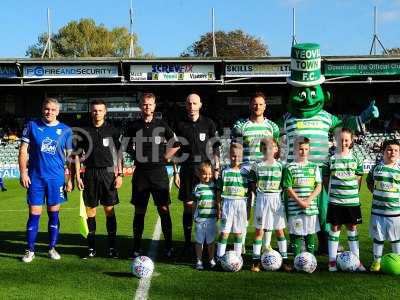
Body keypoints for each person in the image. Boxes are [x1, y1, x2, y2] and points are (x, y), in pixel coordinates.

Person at [19, 98, 73, 263]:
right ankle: (30, 250)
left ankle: (51, 248)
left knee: (53, 215)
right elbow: (23, 151)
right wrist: (23, 173)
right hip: (36, 179)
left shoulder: (66, 130)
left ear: (58, 111)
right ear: (42, 109)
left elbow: (70, 157)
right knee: (34, 215)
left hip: (56, 180)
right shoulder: (32, 126)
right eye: (46, 109)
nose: (49, 112)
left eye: (52, 109)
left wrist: (69, 179)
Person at [125, 92, 179, 258]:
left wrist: (165, 157)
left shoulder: (162, 125)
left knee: (163, 209)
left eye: (150, 104)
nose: (147, 107)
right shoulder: (133, 126)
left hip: (159, 173)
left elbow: (176, 144)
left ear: (154, 106)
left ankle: (169, 246)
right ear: (140, 106)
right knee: (139, 211)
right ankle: (136, 247)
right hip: (141, 173)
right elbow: (125, 146)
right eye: (144, 104)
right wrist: (135, 157)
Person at [231, 92, 280, 252]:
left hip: (265, 171)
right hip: (245, 169)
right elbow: (235, 147)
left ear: (265, 106)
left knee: (265, 207)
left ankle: (266, 245)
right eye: (254, 103)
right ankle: (242, 242)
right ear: (250, 105)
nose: (257, 107)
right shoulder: (240, 125)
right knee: (244, 207)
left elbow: (276, 149)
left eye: (260, 104)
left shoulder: (272, 127)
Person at [75, 99, 123, 259]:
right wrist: (77, 175)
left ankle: (112, 248)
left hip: (108, 174)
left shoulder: (112, 131)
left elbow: (119, 154)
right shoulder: (84, 131)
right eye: (95, 110)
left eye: (100, 110)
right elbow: (76, 155)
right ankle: (91, 248)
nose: (97, 113)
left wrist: (120, 174)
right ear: (91, 112)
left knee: (109, 210)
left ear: (105, 112)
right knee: (91, 212)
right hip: (89, 174)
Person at [173, 93, 220, 255]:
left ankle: (207, 241)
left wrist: (217, 167)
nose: (192, 106)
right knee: (188, 206)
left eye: (194, 103)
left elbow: (215, 148)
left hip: (205, 171)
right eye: (189, 103)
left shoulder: (208, 123)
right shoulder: (180, 125)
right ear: (186, 106)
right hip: (186, 170)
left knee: (206, 206)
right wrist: (175, 172)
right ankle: (187, 242)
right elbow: (176, 150)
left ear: (200, 105)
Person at [325, 128, 366, 272]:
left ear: (351, 141)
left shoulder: (356, 158)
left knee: (352, 228)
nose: (343, 142)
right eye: (340, 140)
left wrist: (354, 193)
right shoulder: (330, 158)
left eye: (346, 140)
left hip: (351, 202)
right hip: (335, 201)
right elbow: (326, 179)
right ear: (336, 140)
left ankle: (357, 261)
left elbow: (359, 177)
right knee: (335, 228)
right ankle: (332, 262)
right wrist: (331, 194)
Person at [249, 138, 291, 272]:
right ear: (261, 149)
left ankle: (284, 261)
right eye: (265, 148)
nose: (268, 150)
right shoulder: (256, 165)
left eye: (272, 147)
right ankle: (256, 262)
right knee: (259, 230)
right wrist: (259, 193)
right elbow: (252, 183)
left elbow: (285, 185)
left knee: (279, 230)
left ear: (276, 149)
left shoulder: (281, 166)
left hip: (276, 200)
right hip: (262, 199)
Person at [282, 137, 322, 257]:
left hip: (310, 207)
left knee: (310, 233)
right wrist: (299, 201)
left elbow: (318, 186)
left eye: (306, 149)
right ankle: (296, 260)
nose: (303, 152)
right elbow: (288, 188)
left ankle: (311, 259)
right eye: (300, 149)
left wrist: (308, 201)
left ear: (309, 150)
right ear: (295, 150)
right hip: (295, 208)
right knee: (296, 233)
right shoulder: (290, 167)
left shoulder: (314, 167)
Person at [367, 139, 400, 272]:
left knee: (396, 238)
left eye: (396, 150)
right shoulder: (376, 168)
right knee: (378, 238)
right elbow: (369, 182)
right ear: (384, 151)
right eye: (389, 149)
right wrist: (375, 193)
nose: (392, 152)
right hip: (377, 212)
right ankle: (376, 262)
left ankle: (397, 261)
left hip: (395, 212)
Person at [216, 143, 251, 259]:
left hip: (241, 204)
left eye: (238, 156)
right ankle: (219, 257)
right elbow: (218, 191)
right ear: (229, 155)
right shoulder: (225, 171)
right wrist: (218, 208)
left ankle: (238, 257)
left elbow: (249, 193)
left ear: (242, 157)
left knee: (238, 232)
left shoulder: (246, 173)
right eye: (233, 156)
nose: (236, 159)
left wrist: (249, 209)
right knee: (224, 232)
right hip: (227, 204)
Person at [192, 161, 217, 270]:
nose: (208, 176)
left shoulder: (214, 187)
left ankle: (211, 259)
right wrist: (194, 216)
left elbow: (218, 201)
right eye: (205, 174)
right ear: (199, 174)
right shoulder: (197, 188)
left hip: (211, 219)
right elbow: (194, 204)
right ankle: (199, 260)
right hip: (200, 220)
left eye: (210, 174)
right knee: (199, 241)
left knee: (211, 242)